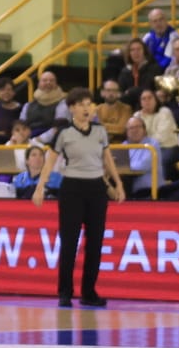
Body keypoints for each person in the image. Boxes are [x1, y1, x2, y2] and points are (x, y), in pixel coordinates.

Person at [33, 86, 126, 309]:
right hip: (72, 188)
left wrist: (118, 183)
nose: (87, 109)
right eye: (82, 105)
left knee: (95, 242)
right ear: (72, 108)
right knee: (69, 242)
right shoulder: (64, 133)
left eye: (89, 104)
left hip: (96, 189)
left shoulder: (100, 131)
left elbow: (107, 160)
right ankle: (65, 291)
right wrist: (40, 186)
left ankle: (89, 291)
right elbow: (51, 160)